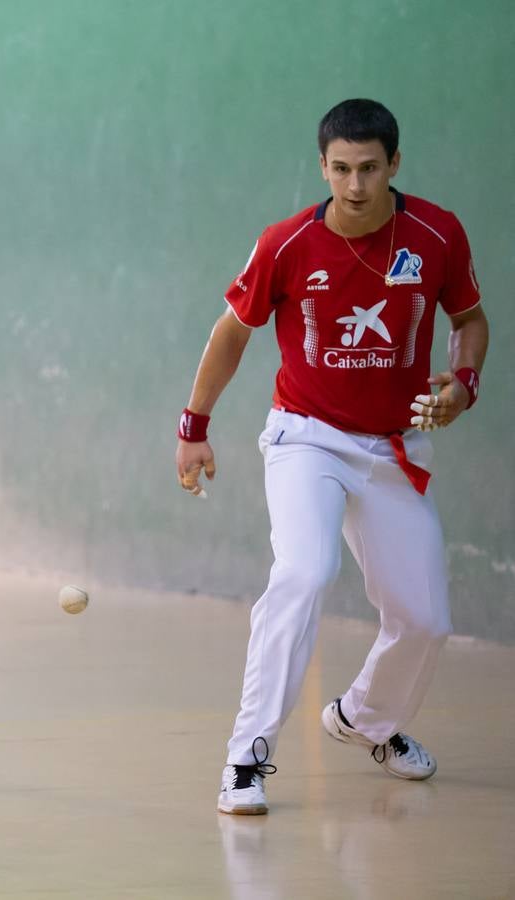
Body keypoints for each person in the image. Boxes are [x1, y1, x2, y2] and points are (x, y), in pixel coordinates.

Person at [174, 99, 488, 816]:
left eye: (368, 169)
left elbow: (468, 320)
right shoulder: (285, 244)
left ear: (394, 165)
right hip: (305, 437)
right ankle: (245, 758)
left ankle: (362, 722)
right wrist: (193, 424)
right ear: (321, 166)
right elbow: (232, 332)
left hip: (394, 447)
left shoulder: (436, 234)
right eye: (340, 169)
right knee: (304, 570)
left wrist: (462, 385)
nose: (353, 185)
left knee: (424, 619)